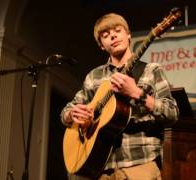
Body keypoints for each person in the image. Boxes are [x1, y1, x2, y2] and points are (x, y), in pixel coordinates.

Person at [61, 12, 179, 180]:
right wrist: (73, 114)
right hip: (100, 168)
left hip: (140, 165)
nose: (113, 36)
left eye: (118, 30)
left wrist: (137, 93)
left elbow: (172, 114)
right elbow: (66, 111)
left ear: (128, 34)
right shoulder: (94, 76)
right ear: (101, 45)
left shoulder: (151, 70)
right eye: (105, 35)